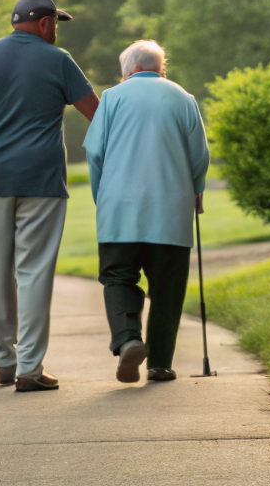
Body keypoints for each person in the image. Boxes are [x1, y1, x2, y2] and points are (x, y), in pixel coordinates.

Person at [0, 0, 99, 392]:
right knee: (34, 271)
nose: (56, 32)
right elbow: (97, 116)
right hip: (41, 180)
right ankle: (30, 367)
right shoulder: (58, 61)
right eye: (56, 25)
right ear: (46, 24)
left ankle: (3, 361)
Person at [84, 39, 209, 384]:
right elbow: (199, 155)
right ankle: (160, 363)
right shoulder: (184, 98)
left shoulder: (110, 98)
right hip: (170, 210)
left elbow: (95, 154)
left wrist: (103, 197)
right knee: (168, 287)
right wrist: (196, 189)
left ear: (130, 71)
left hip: (119, 210)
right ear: (159, 68)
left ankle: (128, 339)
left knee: (118, 277)